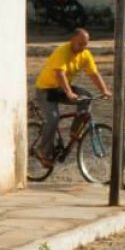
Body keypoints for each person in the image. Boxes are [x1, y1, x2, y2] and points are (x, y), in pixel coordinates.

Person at [33, 28, 110, 166]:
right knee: (53, 118)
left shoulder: (85, 54)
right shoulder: (62, 51)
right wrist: (69, 92)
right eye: (80, 44)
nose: (83, 47)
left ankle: (75, 131)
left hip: (62, 88)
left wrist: (104, 90)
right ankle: (43, 151)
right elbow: (59, 74)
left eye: (85, 44)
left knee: (86, 97)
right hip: (46, 90)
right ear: (72, 40)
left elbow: (93, 74)